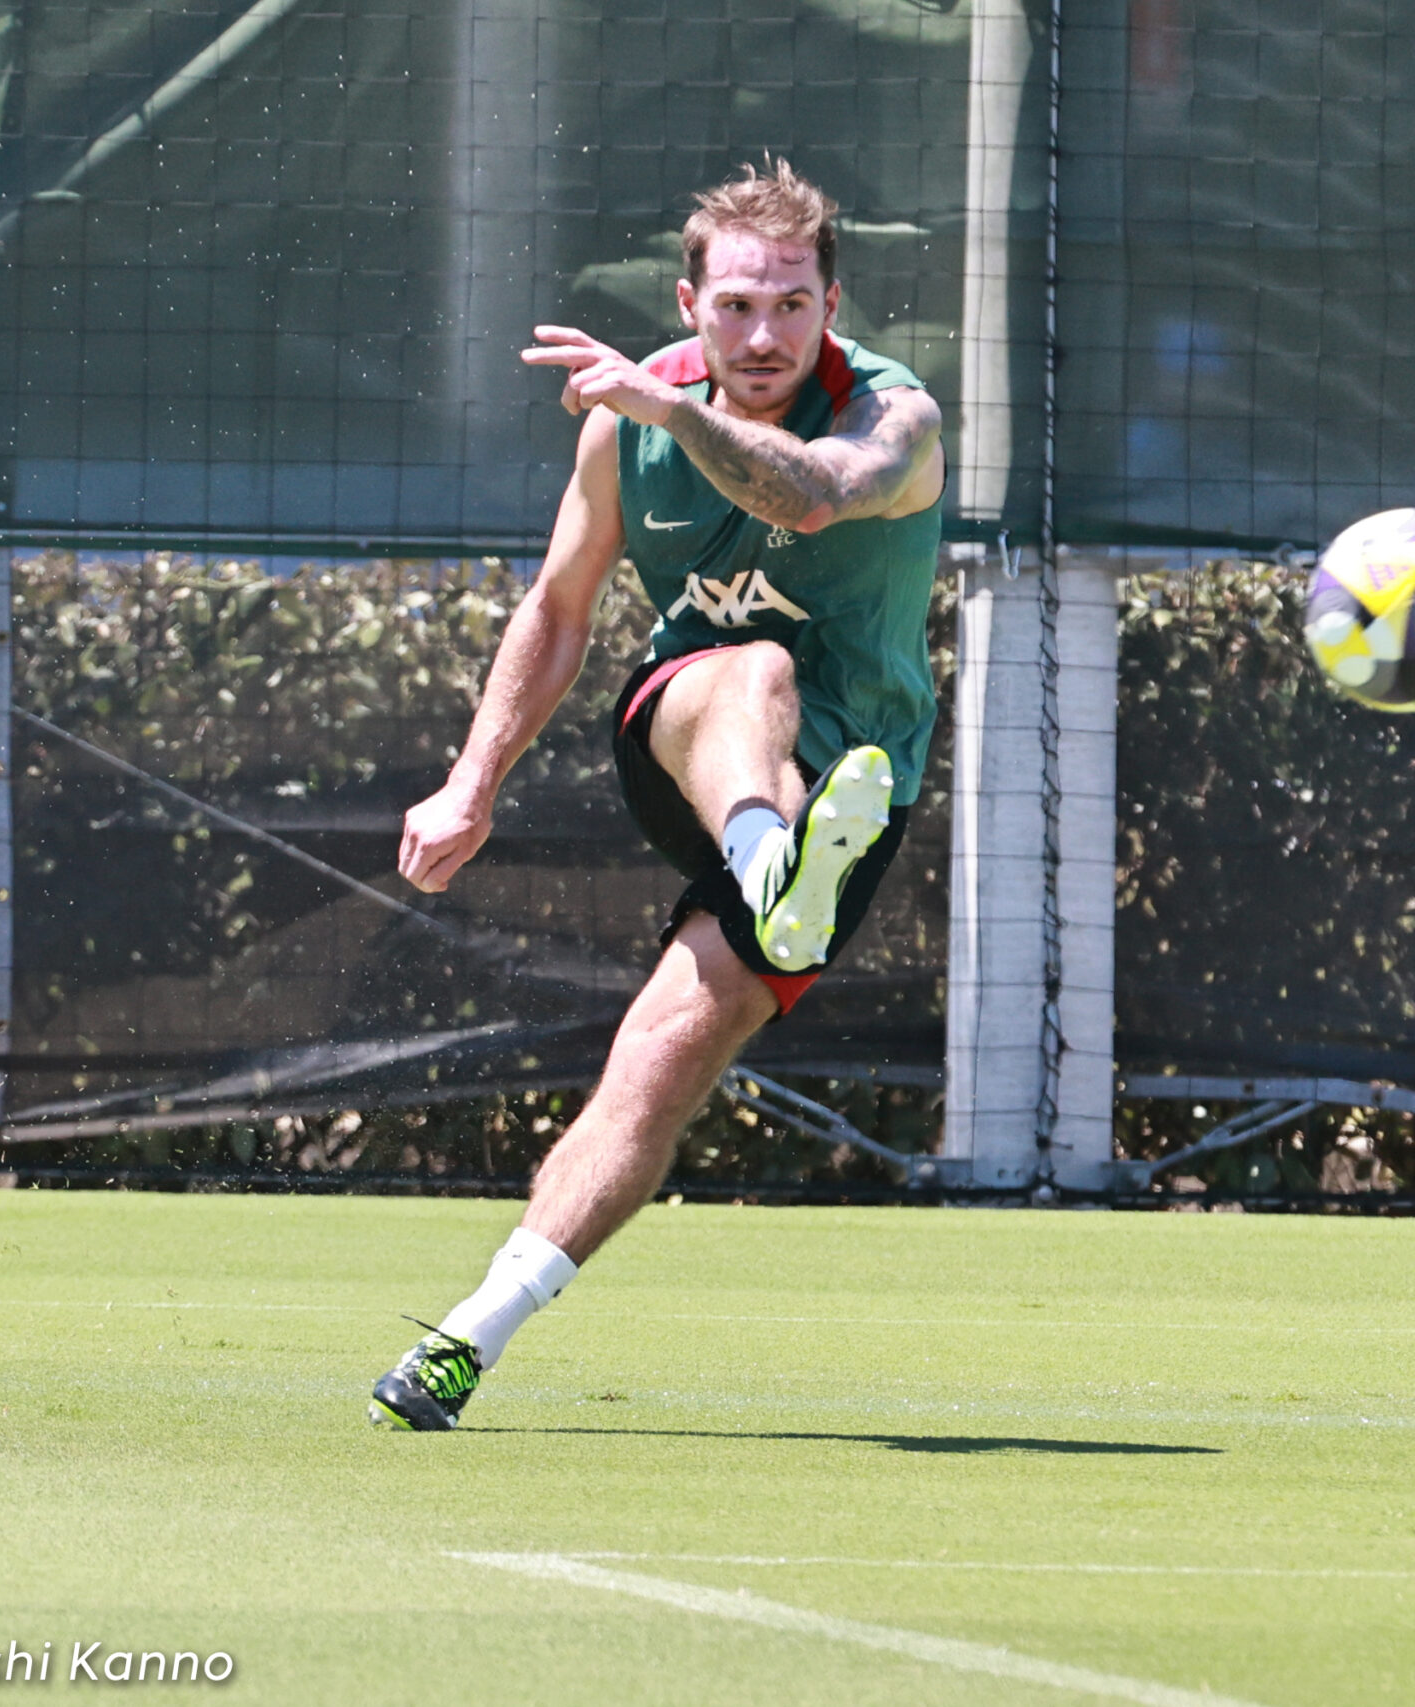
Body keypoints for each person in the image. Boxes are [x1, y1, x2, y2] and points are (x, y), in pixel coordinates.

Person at [367, 159, 944, 1430]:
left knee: (663, 1063)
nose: (762, 333)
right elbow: (560, 609)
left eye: (791, 305)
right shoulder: (626, 422)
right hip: (692, 739)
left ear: (830, 305)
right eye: (735, 304)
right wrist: (473, 785)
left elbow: (811, 491)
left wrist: (673, 413)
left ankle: (470, 1334)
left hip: (859, 787)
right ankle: (763, 859)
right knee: (753, 667)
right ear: (690, 303)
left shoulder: (894, 419)